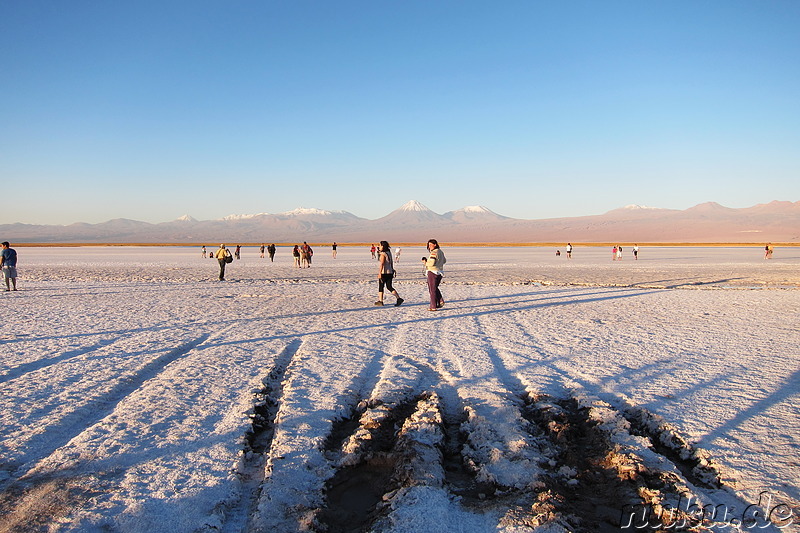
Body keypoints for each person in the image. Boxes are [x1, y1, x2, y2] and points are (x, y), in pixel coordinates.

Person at [375, 241, 403, 307]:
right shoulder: (388, 253)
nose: (379, 246)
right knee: (389, 287)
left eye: (380, 245)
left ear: (383, 246)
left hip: (384, 273)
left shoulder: (383, 254)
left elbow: (382, 264)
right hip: (390, 272)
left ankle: (380, 301)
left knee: (381, 286)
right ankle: (398, 298)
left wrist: (379, 273)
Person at [422, 239, 446, 311]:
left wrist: (425, 263)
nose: (429, 247)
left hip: (433, 272)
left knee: (432, 289)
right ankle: (440, 300)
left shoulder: (434, 253)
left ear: (435, 244)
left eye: (430, 245)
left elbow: (431, 263)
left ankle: (433, 306)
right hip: (440, 272)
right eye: (428, 245)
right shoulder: (440, 252)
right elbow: (444, 261)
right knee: (434, 288)